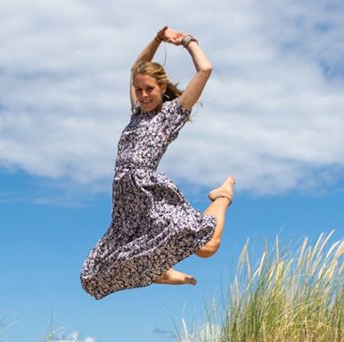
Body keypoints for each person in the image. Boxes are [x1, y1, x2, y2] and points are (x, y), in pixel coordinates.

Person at [80, 26, 236, 300]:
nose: (142, 95)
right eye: (138, 90)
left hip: (149, 192)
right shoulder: (136, 114)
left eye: (149, 89)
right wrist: (157, 38)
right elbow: (135, 70)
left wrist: (186, 41)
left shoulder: (171, 114)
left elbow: (205, 70)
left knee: (206, 247)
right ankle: (161, 272)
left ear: (162, 88)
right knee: (94, 276)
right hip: (125, 200)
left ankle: (222, 196)